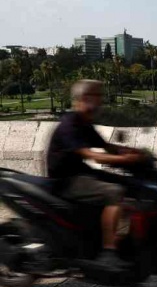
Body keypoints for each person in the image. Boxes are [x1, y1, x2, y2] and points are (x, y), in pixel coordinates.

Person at [46, 80, 145, 271]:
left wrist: (136, 152)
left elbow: (108, 147)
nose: (101, 100)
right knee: (115, 192)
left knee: (128, 184)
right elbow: (91, 155)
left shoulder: (84, 123)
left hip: (81, 174)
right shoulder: (70, 124)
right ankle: (108, 253)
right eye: (98, 96)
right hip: (67, 180)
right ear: (85, 98)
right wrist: (126, 160)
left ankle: (114, 235)